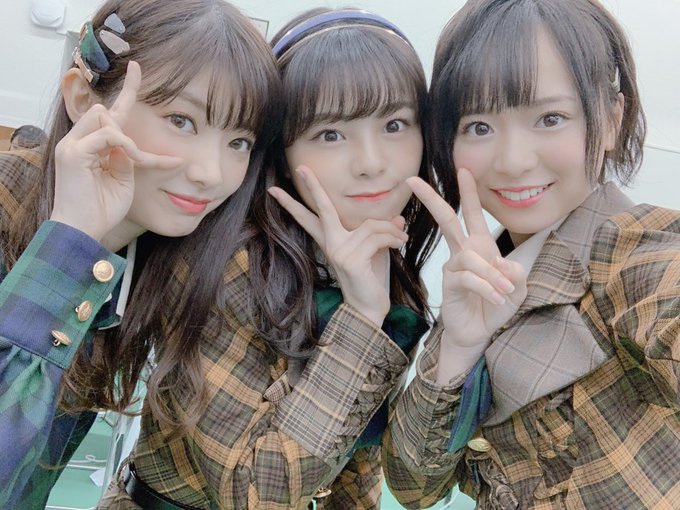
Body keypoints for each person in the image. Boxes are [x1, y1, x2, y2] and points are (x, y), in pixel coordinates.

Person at [98, 8, 437, 509]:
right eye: (330, 134)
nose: (372, 163)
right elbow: (256, 493)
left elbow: (362, 464)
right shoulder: (231, 258)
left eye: (394, 124)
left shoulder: (386, 265)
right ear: (283, 152)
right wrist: (363, 320)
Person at [383, 0, 680, 508]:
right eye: (479, 126)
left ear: (611, 119)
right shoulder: (480, 277)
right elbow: (413, 488)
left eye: (550, 118)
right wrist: (459, 346)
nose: (514, 161)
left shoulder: (635, 253)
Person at [0, 0, 282, 508]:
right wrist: (68, 243)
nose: (211, 173)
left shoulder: (146, 261)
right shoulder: (8, 202)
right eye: (181, 120)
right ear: (83, 98)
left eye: (239, 141)